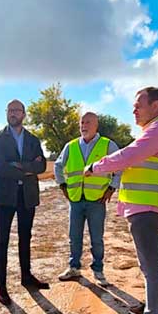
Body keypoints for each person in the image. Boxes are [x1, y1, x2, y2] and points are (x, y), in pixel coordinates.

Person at [84, 87, 158, 314]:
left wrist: (95, 167)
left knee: (152, 268)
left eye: (139, 104)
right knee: (147, 265)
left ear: (156, 105)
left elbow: (127, 156)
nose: (134, 110)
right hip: (146, 209)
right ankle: (151, 308)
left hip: (150, 209)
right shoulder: (157, 129)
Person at [0, 99, 50, 306]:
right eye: (10, 110)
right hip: (5, 196)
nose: (13, 113)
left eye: (17, 110)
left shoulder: (33, 139)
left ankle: (26, 277)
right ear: (6, 113)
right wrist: (28, 167)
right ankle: (2, 287)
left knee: (25, 237)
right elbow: (1, 168)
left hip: (27, 195)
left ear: (24, 114)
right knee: (3, 241)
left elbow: (41, 165)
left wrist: (18, 165)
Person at [53, 112, 121, 286]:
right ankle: (74, 267)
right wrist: (62, 185)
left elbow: (119, 167)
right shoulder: (71, 146)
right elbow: (58, 166)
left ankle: (98, 271)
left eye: (88, 122)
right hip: (75, 200)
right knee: (74, 236)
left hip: (96, 200)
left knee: (96, 238)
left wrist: (112, 187)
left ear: (96, 125)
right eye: (82, 122)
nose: (84, 125)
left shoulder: (107, 145)